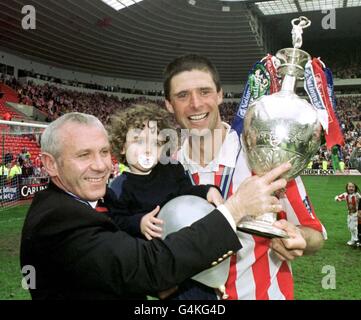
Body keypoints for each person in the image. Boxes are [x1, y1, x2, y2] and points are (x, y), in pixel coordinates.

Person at [20, 112, 291, 300]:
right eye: (83, 155)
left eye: (103, 152)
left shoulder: (81, 202)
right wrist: (234, 209)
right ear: (50, 164)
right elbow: (150, 266)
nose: (101, 165)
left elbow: (120, 271)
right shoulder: (58, 220)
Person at [163, 54, 326, 300]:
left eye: (204, 92)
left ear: (219, 95)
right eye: (182, 95)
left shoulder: (263, 154)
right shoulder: (168, 168)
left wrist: (298, 237)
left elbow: (315, 233)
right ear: (168, 104)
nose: (195, 104)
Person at [106, 104, 223, 240]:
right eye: (139, 141)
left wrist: (207, 191)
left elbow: (187, 193)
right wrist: (139, 223)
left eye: (156, 143)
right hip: (147, 252)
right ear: (122, 147)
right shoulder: (118, 187)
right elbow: (116, 221)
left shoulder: (172, 170)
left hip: (180, 242)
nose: (148, 149)